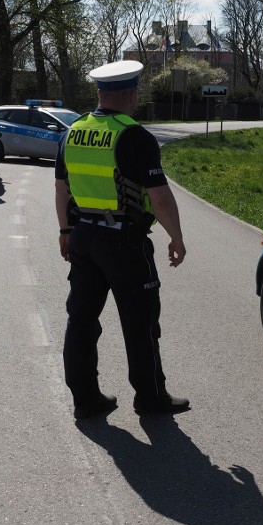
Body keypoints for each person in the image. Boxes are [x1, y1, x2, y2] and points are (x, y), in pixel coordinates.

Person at [55, 59, 189, 419]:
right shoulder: (134, 136)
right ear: (131, 94)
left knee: (81, 320)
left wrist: (65, 230)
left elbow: (61, 187)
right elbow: (159, 197)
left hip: (83, 237)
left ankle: (85, 400)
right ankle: (150, 398)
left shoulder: (73, 131)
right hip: (124, 243)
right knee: (140, 322)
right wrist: (176, 237)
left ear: (99, 92)